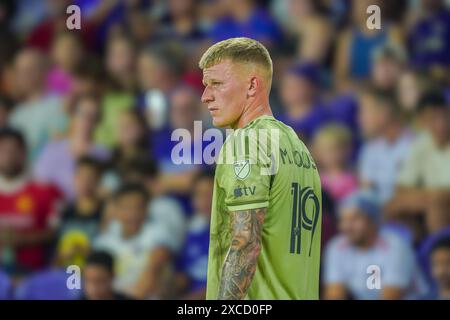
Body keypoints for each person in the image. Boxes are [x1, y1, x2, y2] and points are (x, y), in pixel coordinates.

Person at [199, 37, 322, 299]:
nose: (205, 97)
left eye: (217, 84)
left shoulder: (246, 142)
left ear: (252, 85)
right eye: (205, 85)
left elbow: (244, 242)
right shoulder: (297, 146)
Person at [323, 190, 428, 300]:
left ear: (373, 220)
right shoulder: (336, 246)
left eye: (355, 219)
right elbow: (334, 294)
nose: (347, 227)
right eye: (343, 220)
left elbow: (391, 296)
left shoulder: (396, 247)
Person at [93, 183, 178, 299]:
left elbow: (149, 279)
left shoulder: (159, 235)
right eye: (127, 207)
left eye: (139, 207)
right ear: (116, 210)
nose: (133, 213)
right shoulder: (103, 242)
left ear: (147, 209)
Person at [386, 90, 450, 233]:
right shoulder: (421, 143)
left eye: (445, 116)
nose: (442, 123)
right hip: (429, 202)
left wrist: (433, 197)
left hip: (440, 206)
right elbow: (401, 187)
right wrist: (431, 197)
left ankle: (439, 247)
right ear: (422, 121)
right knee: (391, 206)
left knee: (437, 207)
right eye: (433, 118)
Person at [0, 128, 61, 272]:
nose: (8, 156)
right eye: (3, 150)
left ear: (23, 153)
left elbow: (56, 232)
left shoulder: (45, 191)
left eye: (13, 150)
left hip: (33, 274)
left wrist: (23, 239)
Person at [34, 93, 109, 200]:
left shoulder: (103, 153)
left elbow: (105, 186)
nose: (87, 120)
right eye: (82, 113)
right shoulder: (52, 149)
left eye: (93, 115)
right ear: (73, 114)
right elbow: (41, 181)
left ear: (98, 121)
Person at [358, 87, 414, 204]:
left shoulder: (415, 144)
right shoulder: (370, 149)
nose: (360, 119)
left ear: (384, 112)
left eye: (365, 111)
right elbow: (366, 191)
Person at [56, 157, 104, 268]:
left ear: (99, 180)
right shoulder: (65, 212)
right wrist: (63, 255)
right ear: (74, 178)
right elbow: (55, 257)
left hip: (93, 275)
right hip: (69, 274)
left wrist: (87, 252)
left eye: (91, 178)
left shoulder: (105, 212)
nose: (85, 183)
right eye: (81, 177)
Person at [172, 170, 214, 299]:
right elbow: (182, 275)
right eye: (200, 195)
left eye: (211, 194)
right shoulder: (192, 229)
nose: (206, 201)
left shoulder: (238, 232)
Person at [312, 124, 358, 202]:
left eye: (334, 149)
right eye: (325, 150)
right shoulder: (315, 178)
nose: (331, 155)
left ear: (346, 150)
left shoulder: (350, 180)